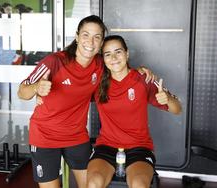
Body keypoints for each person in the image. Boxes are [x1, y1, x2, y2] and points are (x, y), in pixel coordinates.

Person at [18, 15, 154, 188]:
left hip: (76, 136)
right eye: (86, 35)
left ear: (101, 42)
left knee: (92, 185)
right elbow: (22, 92)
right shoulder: (55, 61)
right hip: (45, 136)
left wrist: (140, 71)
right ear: (77, 37)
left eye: (97, 37)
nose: (90, 41)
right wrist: (37, 87)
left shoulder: (99, 64)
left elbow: (119, 66)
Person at [86, 35, 182, 188]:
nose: (114, 58)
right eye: (108, 54)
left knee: (139, 185)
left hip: (139, 147)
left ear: (127, 53)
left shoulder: (144, 79)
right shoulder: (97, 83)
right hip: (106, 146)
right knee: (93, 183)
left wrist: (167, 99)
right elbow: (72, 94)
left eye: (118, 52)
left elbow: (178, 109)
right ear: (103, 59)